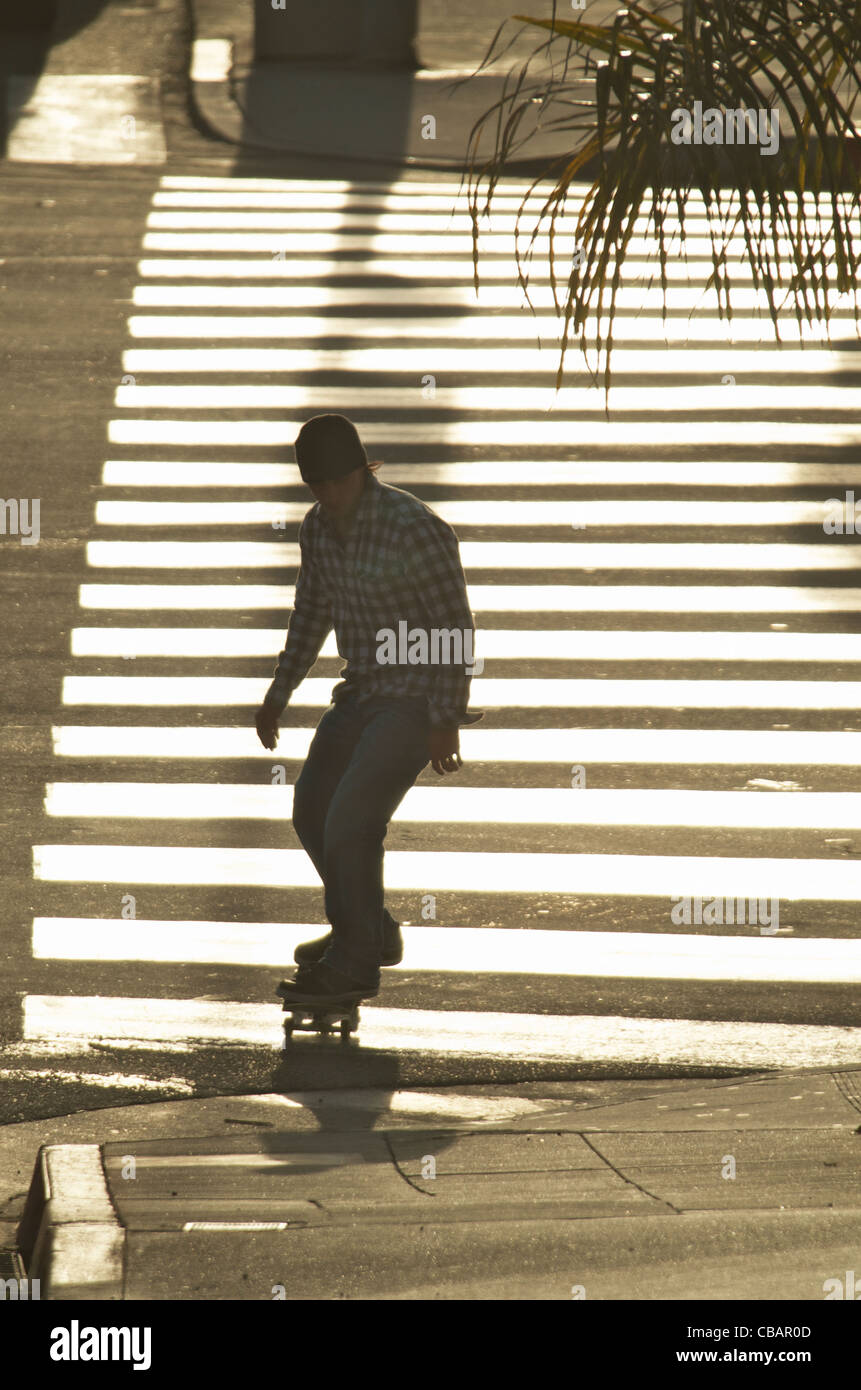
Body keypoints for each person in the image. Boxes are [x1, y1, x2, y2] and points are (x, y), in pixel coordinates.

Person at [255, 413, 482, 1005]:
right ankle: (368, 928)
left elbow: (453, 627)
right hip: (359, 694)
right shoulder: (318, 529)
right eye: (317, 487)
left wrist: (444, 719)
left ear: (363, 470)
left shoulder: (413, 528)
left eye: (337, 483)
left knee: (352, 820)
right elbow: (311, 614)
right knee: (312, 811)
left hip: (411, 703)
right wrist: (278, 694)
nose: (329, 497)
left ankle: (355, 963)